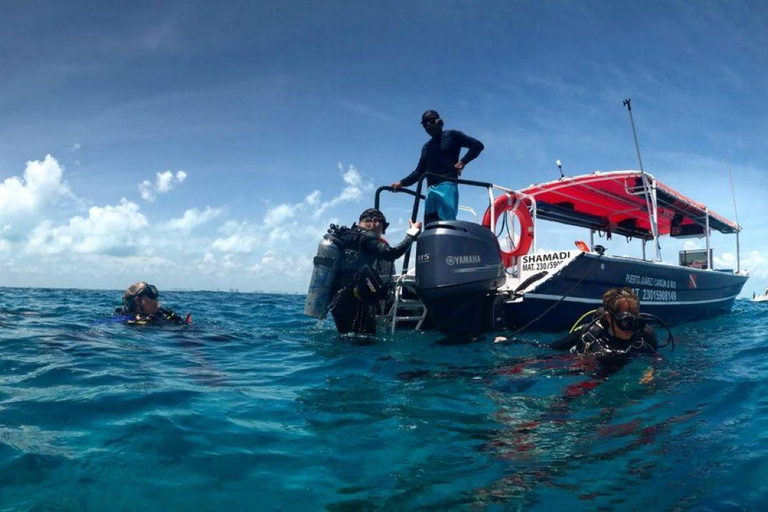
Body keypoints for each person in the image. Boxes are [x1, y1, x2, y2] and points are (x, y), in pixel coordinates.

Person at [330, 208, 421, 335]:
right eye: (382, 230)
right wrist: (412, 234)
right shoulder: (366, 236)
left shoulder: (346, 235)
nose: (381, 235)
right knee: (365, 339)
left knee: (346, 336)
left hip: (336, 299)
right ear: (375, 221)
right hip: (356, 300)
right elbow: (392, 253)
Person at [391, 109, 484, 224]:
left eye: (431, 122)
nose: (428, 126)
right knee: (430, 226)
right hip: (430, 191)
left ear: (440, 122)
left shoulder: (452, 135)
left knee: (447, 224)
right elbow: (418, 172)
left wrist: (463, 162)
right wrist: (402, 183)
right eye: (425, 125)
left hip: (447, 186)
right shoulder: (426, 147)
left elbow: (477, 145)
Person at [550, 287, 657, 357]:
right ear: (609, 318)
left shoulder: (641, 345)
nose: (631, 328)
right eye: (626, 322)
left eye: (636, 322)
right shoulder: (589, 336)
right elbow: (550, 351)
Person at [115, 282, 191, 326]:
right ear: (138, 300)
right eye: (150, 295)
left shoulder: (162, 314)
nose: (156, 299)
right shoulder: (126, 319)